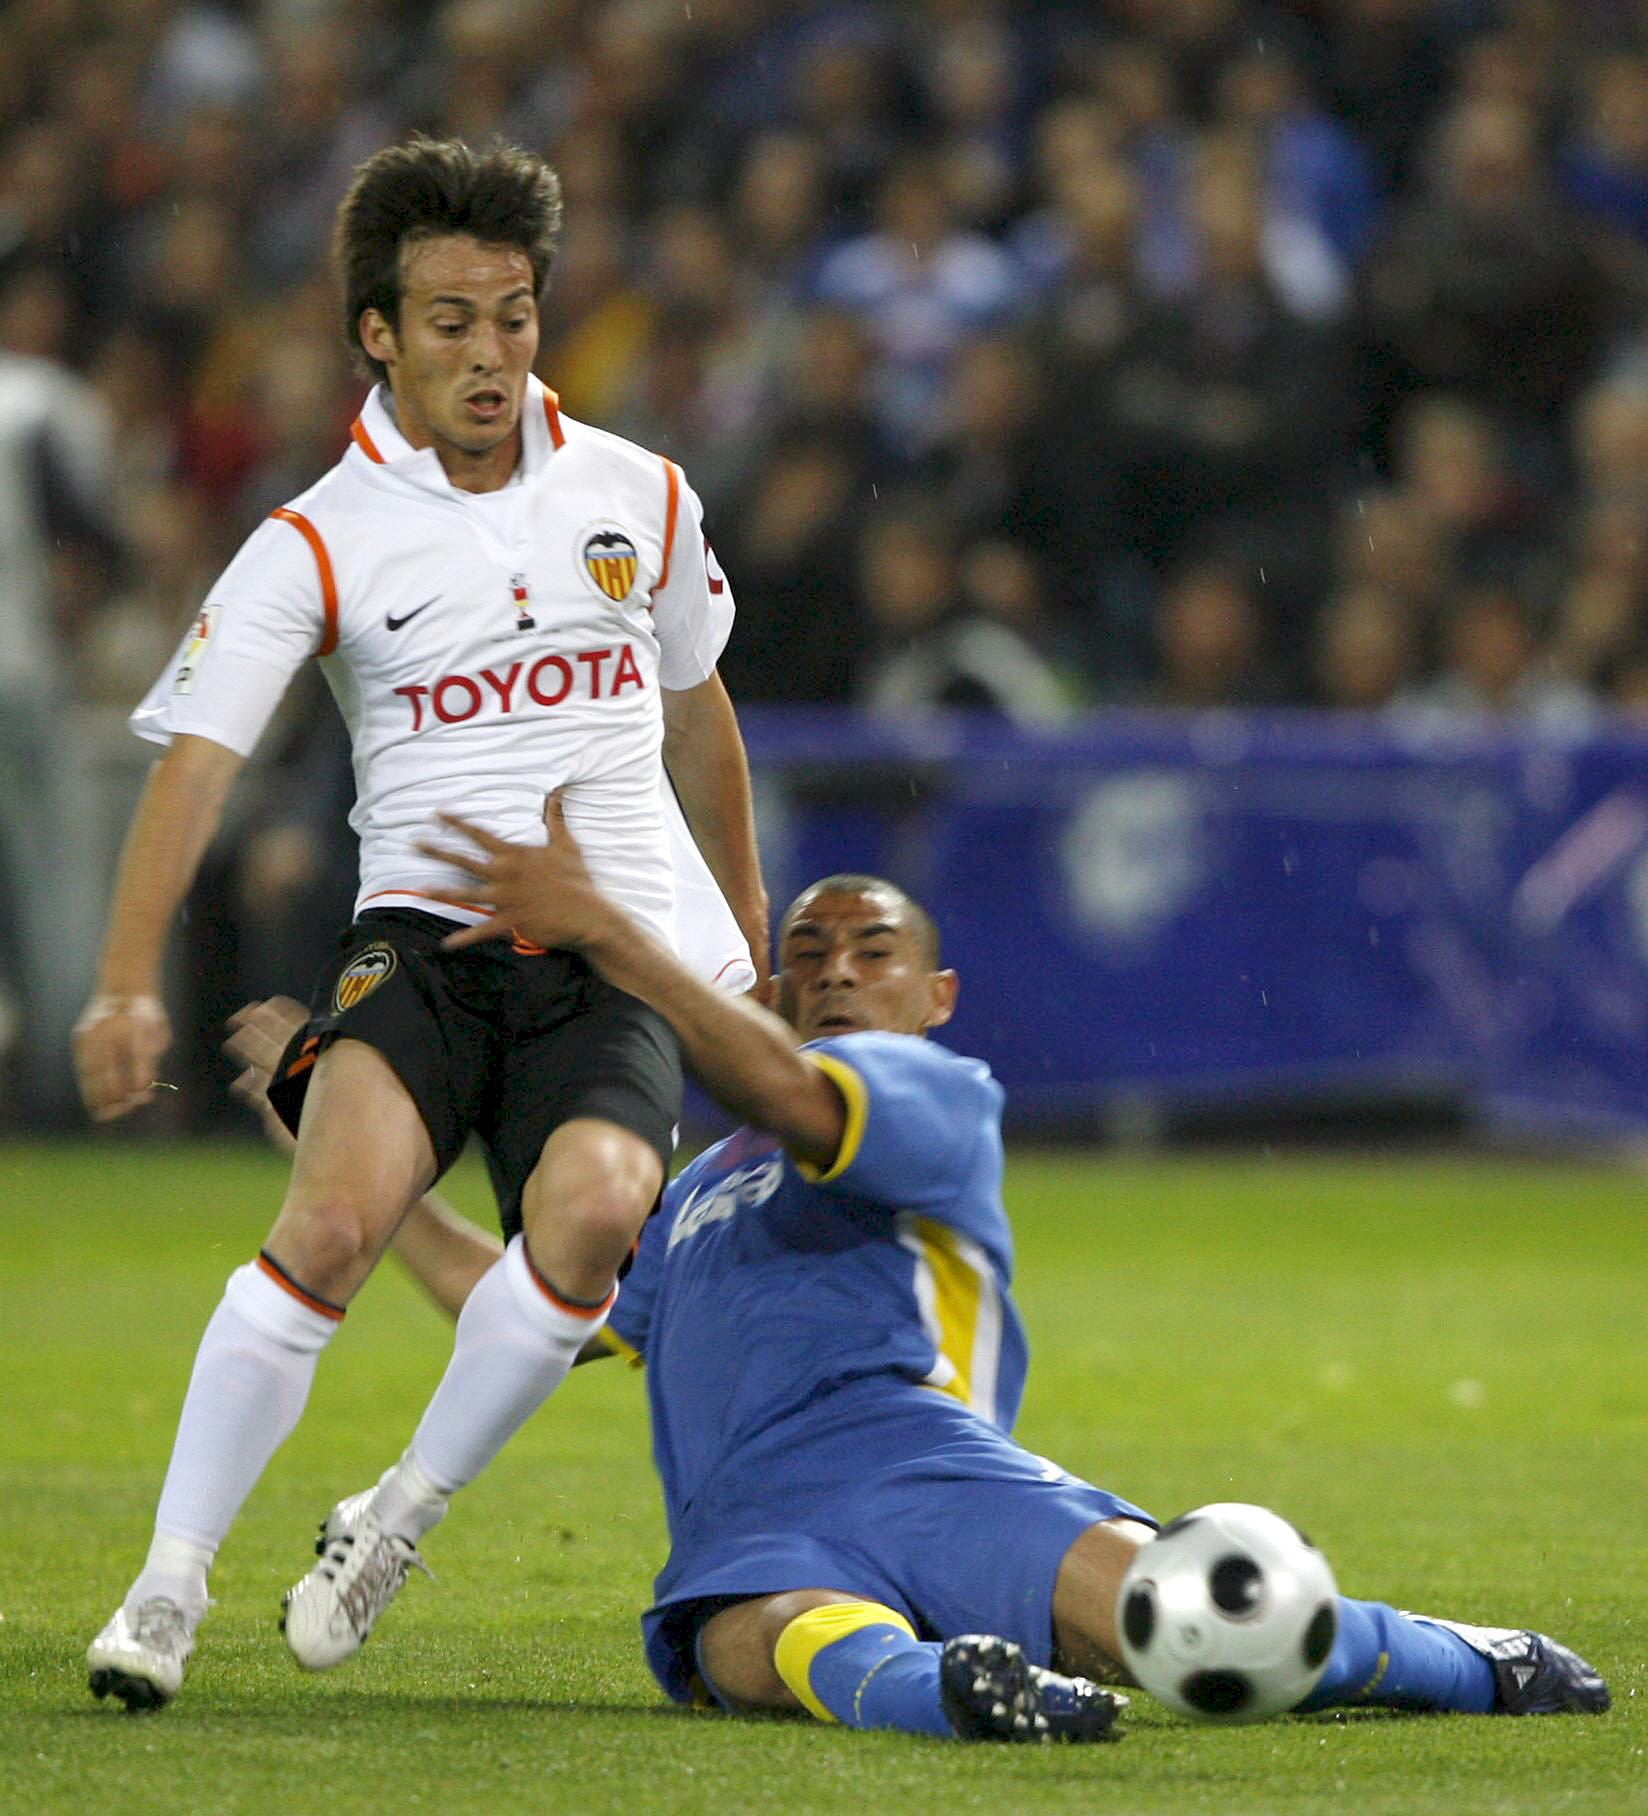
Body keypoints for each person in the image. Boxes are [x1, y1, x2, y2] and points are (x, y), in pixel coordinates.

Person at [225, 829, 1610, 1741]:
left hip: (932, 1472)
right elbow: (527, 1307)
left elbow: (784, 1089)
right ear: (777, 988)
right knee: (753, 1645)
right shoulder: (699, 1185)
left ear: (935, 994)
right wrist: (349, 1170)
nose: (835, 974)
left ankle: (1465, 1659)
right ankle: (965, 1688)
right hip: (757, 1526)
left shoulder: (930, 1093)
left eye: (869, 954)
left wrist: (611, 939)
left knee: (1197, 1619)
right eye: (810, 958)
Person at [79, 134, 766, 1712]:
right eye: (450, 322)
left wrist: (742, 922)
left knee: (595, 1214)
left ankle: (394, 1520)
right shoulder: (315, 539)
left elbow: (698, 717)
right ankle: (168, 1584)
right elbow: (198, 766)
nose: (490, 356)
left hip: (607, 959)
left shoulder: (639, 497)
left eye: (514, 317)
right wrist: (126, 982)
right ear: (377, 335)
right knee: (333, 1222)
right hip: (422, 946)